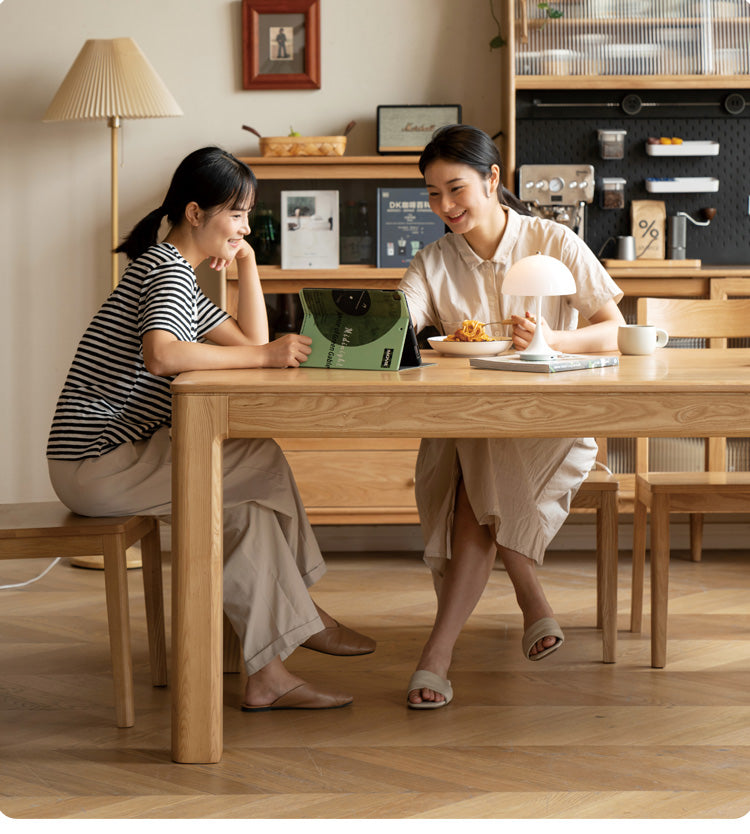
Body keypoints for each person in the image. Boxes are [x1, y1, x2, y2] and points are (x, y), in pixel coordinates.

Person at [46, 147, 374, 713]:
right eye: (237, 214)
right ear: (196, 213)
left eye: (249, 215)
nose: (245, 226)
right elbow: (163, 354)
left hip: (107, 460)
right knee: (261, 456)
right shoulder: (163, 268)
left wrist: (248, 264)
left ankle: (268, 677)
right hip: (96, 463)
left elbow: (250, 342)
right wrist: (268, 358)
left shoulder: (179, 278)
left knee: (243, 507)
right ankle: (307, 613)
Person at [398, 125, 625, 709]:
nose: (444, 207)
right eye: (431, 194)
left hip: (553, 426)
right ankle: (528, 600)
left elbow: (613, 332)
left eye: (455, 189)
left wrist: (555, 338)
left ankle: (439, 654)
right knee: (479, 443)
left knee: (477, 461)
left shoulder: (553, 241)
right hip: (474, 425)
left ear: (492, 179)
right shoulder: (432, 260)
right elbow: (403, 317)